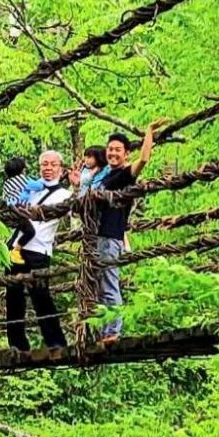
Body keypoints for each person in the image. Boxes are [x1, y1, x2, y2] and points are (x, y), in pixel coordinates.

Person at [79, 123, 159, 340]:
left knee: (109, 283)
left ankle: (112, 332)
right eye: (110, 149)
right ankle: (103, 331)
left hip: (110, 235)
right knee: (96, 284)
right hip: (96, 236)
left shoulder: (125, 174)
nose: (113, 153)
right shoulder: (105, 177)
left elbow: (143, 160)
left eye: (118, 150)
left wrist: (148, 133)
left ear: (126, 153)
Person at [4, 149, 70, 353]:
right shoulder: (31, 188)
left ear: (61, 169)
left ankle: (56, 343)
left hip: (39, 251)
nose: (48, 168)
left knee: (40, 295)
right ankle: (17, 345)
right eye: (44, 164)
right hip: (16, 247)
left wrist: (78, 183)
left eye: (52, 164)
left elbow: (79, 207)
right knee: (13, 297)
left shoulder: (65, 195)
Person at [2, 154, 39, 260]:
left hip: (11, 212)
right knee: (30, 232)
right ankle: (15, 251)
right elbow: (38, 186)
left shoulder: (6, 183)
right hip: (20, 211)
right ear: (22, 170)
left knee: (18, 231)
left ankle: (9, 248)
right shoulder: (23, 180)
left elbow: (5, 198)